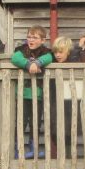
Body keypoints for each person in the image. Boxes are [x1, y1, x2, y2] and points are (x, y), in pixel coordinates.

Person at [11, 27, 54, 159]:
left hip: (38, 94)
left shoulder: (46, 52)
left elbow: (49, 58)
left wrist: (38, 62)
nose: (31, 40)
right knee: (21, 122)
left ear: (43, 40)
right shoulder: (21, 50)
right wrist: (29, 64)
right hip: (23, 94)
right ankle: (17, 149)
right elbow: (15, 58)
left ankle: (33, 148)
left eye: (35, 38)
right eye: (29, 37)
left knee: (36, 122)